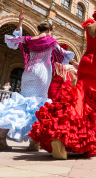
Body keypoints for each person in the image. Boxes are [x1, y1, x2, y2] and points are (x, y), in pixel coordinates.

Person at [29, 8, 96, 159]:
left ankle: (60, 135)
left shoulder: (89, 26)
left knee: (79, 98)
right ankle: (89, 139)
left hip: (86, 62)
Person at [0, 11, 74, 151]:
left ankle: (2, 136)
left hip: (28, 72)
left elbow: (14, 41)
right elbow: (62, 54)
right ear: (49, 30)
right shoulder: (50, 40)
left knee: (22, 103)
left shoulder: (29, 40)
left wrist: (20, 22)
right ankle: (34, 141)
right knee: (38, 105)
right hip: (41, 73)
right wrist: (74, 64)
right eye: (51, 31)